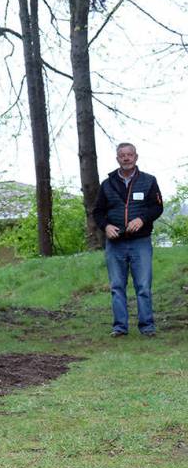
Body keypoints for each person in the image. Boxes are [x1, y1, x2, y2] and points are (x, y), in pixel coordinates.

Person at [92, 142, 164, 337]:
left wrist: (142, 219)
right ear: (117, 159)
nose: (126, 158)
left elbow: (157, 207)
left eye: (129, 155)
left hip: (140, 241)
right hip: (115, 243)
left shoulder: (149, 181)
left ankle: (147, 327)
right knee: (116, 286)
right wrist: (106, 226)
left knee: (143, 286)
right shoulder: (107, 184)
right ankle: (120, 328)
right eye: (122, 155)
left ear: (136, 157)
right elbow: (97, 212)